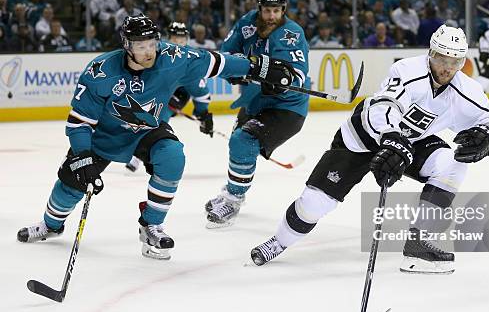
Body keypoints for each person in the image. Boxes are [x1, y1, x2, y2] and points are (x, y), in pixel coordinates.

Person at [16, 14, 298, 260]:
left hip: (147, 129)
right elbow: (78, 124)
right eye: (141, 46)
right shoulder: (100, 71)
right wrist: (82, 156)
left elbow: (218, 62)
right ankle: (51, 225)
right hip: (103, 136)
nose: (149, 52)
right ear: (127, 46)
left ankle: (151, 225)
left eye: (151, 44)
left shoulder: (174, 58)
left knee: (173, 157)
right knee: (71, 183)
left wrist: (258, 68)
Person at [250, 25, 489, 275]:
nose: (447, 67)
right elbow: (383, 106)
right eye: (441, 58)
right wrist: (391, 138)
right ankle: (279, 241)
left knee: (452, 163)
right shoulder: (407, 69)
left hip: (411, 143)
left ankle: (418, 242)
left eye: (455, 61)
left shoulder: (466, 90)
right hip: (363, 138)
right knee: (313, 204)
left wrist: (488, 138)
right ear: (430, 53)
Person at [204, 0, 310, 228]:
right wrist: (236, 72)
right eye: (267, 10)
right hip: (255, 101)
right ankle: (232, 189)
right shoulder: (247, 23)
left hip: (287, 108)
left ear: (283, 10)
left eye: (276, 10)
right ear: (259, 9)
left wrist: (285, 80)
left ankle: (233, 199)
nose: (271, 16)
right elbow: (228, 53)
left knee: (244, 140)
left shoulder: (291, 33)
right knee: (237, 141)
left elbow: (300, 75)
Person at [125, 21, 214, 173]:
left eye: (182, 41)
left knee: (160, 116)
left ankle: (140, 155)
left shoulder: (190, 59)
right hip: (156, 92)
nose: (178, 44)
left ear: (187, 40)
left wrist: (203, 113)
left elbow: (199, 89)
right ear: (167, 39)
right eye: (174, 40)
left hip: (178, 95)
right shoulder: (155, 53)